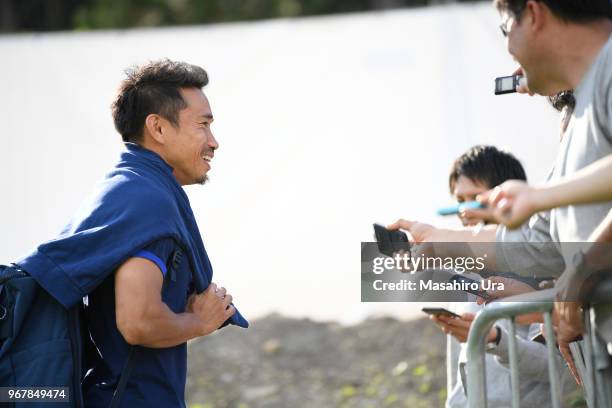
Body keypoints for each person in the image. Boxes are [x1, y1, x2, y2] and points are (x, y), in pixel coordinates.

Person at [15, 59, 248, 407]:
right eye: (202, 125)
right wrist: (198, 321)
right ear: (157, 128)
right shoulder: (146, 203)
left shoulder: (126, 188)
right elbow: (138, 321)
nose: (213, 142)